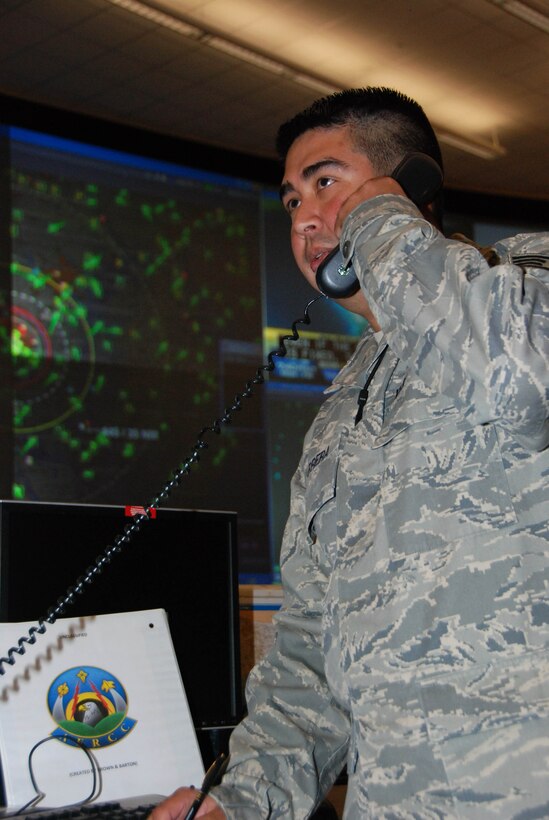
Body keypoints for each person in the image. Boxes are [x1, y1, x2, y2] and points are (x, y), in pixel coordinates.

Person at [151, 87, 549, 819]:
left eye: (326, 183)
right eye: (289, 200)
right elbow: (308, 652)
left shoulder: (529, 282)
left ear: (410, 188)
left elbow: (515, 379)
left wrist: (374, 218)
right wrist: (239, 803)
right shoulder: (343, 413)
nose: (304, 218)